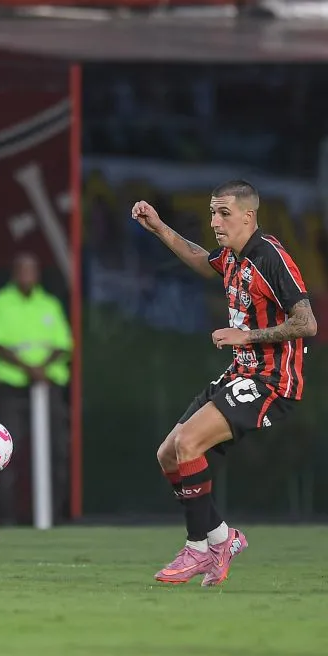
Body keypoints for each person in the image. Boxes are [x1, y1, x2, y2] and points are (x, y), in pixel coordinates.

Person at [132, 180, 316, 587]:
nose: (215, 221)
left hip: (272, 381)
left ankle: (198, 547)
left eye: (224, 213)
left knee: (187, 445)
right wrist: (161, 228)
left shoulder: (270, 256)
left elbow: (307, 322)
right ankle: (222, 537)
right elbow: (203, 259)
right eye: (213, 213)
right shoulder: (233, 257)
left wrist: (246, 336)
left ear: (249, 216)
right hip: (240, 374)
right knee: (168, 454)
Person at [0, 253, 72, 525]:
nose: (27, 276)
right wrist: (28, 369)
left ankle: (53, 515)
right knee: (3, 453)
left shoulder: (49, 304)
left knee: (56, 450)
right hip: (11, 387)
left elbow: (63, 344)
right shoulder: (0, 303)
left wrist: (41, 369)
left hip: (47, 388)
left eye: (32, 271)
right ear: (14, 273)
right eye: (22, 270)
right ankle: (5, 516)